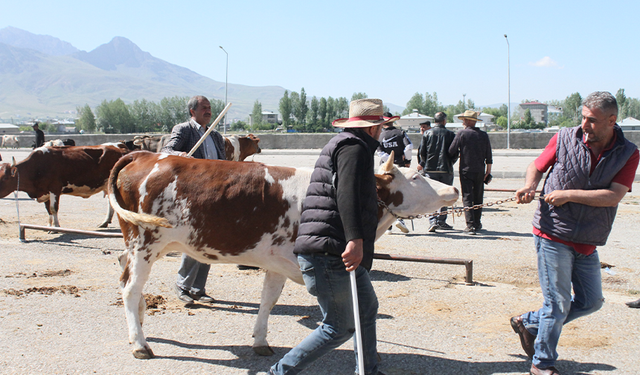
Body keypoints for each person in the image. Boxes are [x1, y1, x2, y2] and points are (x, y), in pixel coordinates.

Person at [510, 91, 639, 375]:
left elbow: (613, 196)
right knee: (556, 303)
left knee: (591, 302)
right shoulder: (565, 137)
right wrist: (531, 185)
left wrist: (568, 194)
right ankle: (542, 364)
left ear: (611, 120)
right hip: (552, 231)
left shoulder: (629, 153)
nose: (584, 124)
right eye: (583, 117)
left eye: (591, 120)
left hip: (587, 238)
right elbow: (537, 165)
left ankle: (529, 322)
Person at [269, 98, 393, 375]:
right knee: (338, 327)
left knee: (366, 308)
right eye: (382, 125)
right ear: (373, 128)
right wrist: (355, 240)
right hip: (331, 250)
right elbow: (346, 194)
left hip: (329, 245)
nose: (383, 131)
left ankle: (368, 370)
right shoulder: (354, 148)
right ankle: (279, 372)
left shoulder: (345, 143)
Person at [161, 95, 226, 306]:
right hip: (193, 194)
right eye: (204, 108)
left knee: (210, 241)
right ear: (192, 112)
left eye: (209, 108)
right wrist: (180, 154)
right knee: (194, 240)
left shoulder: (215, 136)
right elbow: (166, 151)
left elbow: (223, 164)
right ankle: (183, 285)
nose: (208, 111)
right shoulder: (183, 130)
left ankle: (198, 288)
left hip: (215, 194)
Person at [448, 110, 492, 235]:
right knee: (478, 196)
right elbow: (489, 154)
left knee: (467, 197)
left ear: (467, 121)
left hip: (466, 169)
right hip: (480, 169)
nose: (462, 122)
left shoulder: (462, 133)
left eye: (463, 120)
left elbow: (451, 150)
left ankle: (470, 224)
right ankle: (477, 223)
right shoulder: (484, 135)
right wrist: (488, 171)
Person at [418, 112, 457, 232]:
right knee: (445, 195)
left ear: (434, 121)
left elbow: (422, 152)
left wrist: (426, 164)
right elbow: (455, 153)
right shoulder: (450, 134)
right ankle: (441, 220)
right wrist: (450, 163)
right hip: (446, 169)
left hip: (430, 169)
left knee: (431, 195)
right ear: (444, 121)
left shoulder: (427, 134)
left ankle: (432, 220)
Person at [376, 111, 412, 234]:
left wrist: (388, 163)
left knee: (385, 195)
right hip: (400, 167)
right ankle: (399, 219)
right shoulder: (401, 133)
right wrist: (407, 161)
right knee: (400, 194)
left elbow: (379, 152)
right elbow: (409, 148)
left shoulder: (380, 136)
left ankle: (388, 226)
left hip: (384, 169)